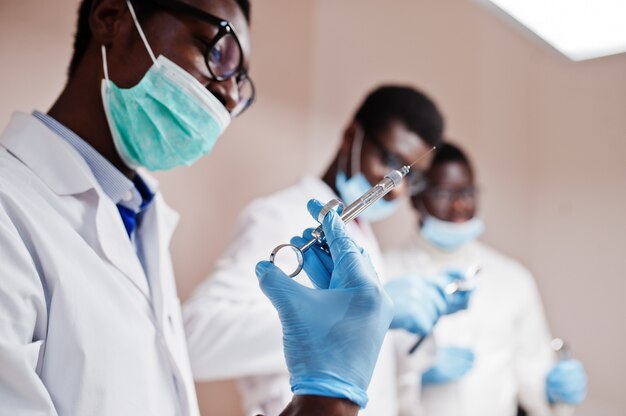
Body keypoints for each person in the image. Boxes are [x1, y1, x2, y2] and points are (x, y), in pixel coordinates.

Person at [0, 1, 401, 415]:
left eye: (241, 81)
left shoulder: (138, 220)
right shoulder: (10, 214)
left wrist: (320, 394)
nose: (229, 95)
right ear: (111, 18)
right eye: (217, 54)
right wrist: (328, 398)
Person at [184, 85, 472, 415]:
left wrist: (415, 335)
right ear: (352, 136)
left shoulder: (362, 237)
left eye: (414, 178)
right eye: (390, 162)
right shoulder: (278, 215)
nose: (397, 189)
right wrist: (329, 323)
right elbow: (195, 338)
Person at [384, 143, 588, 416]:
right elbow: (365, 383)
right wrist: (413, 376)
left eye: (467, 192)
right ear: (415, 197)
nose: (459, 205)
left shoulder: (513, 278)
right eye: (444, 193)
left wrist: (555, 393)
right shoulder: (384, 272)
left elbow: (534, 376)